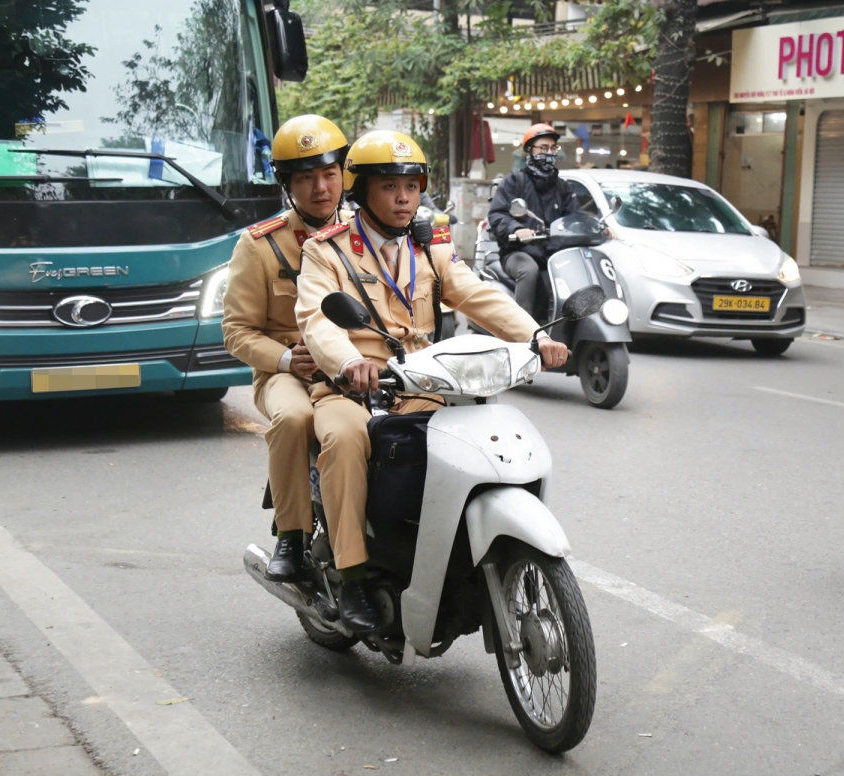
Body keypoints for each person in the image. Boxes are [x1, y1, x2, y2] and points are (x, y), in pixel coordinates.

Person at [295, 131, 569, 632]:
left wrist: (536, 337)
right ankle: (354, 573)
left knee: (478, 441)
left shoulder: (428, 246)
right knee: (345, 438)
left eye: (412, 185)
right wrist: (349, 361)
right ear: (360, 191)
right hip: (354, 387)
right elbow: (316, 318)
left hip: (424, 383)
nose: (403, 198)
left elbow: (478, 295)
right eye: (388, 187)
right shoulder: (326, 253)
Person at [223, 115, 351, 582]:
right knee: (295, 418)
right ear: (287, 183)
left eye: (329, 173)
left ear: (344, 174)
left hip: (358, 366)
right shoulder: (259, 246)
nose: (321, 187)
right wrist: (283, 359)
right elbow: (236, 331)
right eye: (305, 177)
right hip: (285, 372)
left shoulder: (367, 233)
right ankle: (291, 536)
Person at [487, 123, 579, 319]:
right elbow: (497, 214)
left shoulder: (562, 188)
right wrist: (517, 229)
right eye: (543, 148)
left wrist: (599, 229)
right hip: (518, 253)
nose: (549, 153)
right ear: (529, 150)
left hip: (553, 253)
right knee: (529, 270)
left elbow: (575, 217)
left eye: (553, 148)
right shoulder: (514, 182)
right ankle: (522, 329)